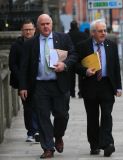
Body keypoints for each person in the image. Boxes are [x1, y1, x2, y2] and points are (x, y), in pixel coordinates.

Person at [19, 14, 78, 159]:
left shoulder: (63, 38)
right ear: (38, 27)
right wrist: (23, 87)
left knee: (62, 115)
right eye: (42, 24)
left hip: (59, 84)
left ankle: (58, 136)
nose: (45, 26)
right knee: (42, 117)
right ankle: (48, 147)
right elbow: (24, 66)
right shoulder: (30, 43)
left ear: (52, 24)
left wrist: (64, 65)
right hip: (39, 86)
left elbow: (74, 55)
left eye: (48, 23)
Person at [74, 19, 122, 157]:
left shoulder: (111, 45)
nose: (103, 33)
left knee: (107, 115)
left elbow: (115, 67)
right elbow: (75, 65)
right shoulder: (83, 46)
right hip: (90, 85)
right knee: (92, 117)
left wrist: (118, 87)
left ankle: (107, 143)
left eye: (105, 30)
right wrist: (85, 71)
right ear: (93, 32)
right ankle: (94, 145)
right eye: (100, 31)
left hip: (107, 85)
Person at [8, 19, 39, 142]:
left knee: (38, 106)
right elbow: (12, 64)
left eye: (30, 29)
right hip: (23, 83)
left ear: (34, 30)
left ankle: (37, 130)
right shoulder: (16, 45)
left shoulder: (39, 43)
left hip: (38, 81)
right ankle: (31, 132)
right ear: (22, 31)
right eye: (25, 29)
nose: (28, 32)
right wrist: (22, 78)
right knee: (28, 107)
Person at [67, 20, 89, 98]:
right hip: (81, 57)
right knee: (81, 75)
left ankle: (72, 92)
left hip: (70, 57)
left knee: (70, 76)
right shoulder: (83, 35)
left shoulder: (67, 35)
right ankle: (81, 92)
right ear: (77, 26)